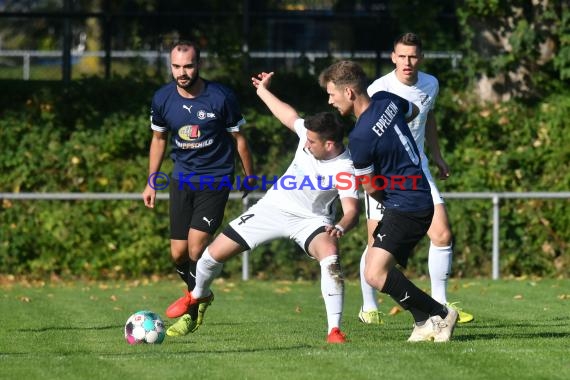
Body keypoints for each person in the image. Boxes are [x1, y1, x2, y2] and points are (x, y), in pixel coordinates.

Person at [171, 71, 360, 343]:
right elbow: (288, 115)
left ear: (329, 144)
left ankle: (334, 330)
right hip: (272, 208)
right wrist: (263, 91)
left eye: (311, 142)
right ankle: (197, 295)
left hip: (311, 221)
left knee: (330, 255)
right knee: (211, 256)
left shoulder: (344, 168)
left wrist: (340, 226)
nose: (305, 144)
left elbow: (351, 209)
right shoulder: (310, 134)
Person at [319, 60, 458, 342]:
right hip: (417, 193)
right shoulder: (388, 100)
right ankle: (422, 322)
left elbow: (370, 188)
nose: (330, 100)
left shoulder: (359, 138)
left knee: (374, 272)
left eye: (332, 94)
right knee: (375, 265)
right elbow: (415, 111)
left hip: (406, 204)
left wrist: (390, 200)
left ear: (349, 93)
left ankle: (439, 314)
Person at [141, 40, 255, 337]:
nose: (182, 72)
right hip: (181, 180)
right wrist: (151, 180)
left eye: (188, 65)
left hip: (215, 179)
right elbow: (158, 140)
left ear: (199, 64)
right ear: (171, 66)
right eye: (177, 66)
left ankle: (191, 311)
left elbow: (239, 139)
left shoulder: (221, 97)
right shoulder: (162, 98)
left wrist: (249, 175)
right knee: (178, 254)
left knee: (195, 247)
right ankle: (201, 293)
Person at [358, 33, 473, 325]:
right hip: (387, 174)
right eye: (402, 56)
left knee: (443, 233)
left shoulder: (430, 83)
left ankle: (442, 303)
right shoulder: (378, 89)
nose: (408, 62)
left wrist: (437, 155)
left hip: (418, 168)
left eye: (413, 56)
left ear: (419, 58)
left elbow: (428, 118)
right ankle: (369, 307)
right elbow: (366, 131)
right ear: (393, 57)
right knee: (376, 244)